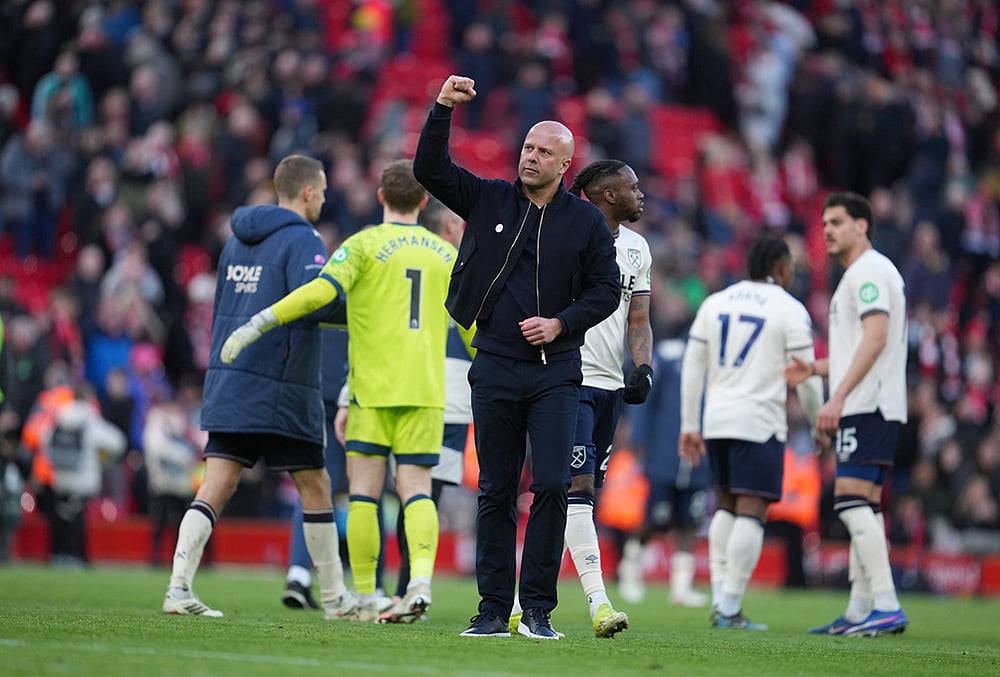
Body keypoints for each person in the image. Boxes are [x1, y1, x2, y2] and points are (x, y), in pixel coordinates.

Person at [414, 75, 620, 639]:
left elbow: (606, 289)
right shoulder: (489, 197)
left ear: (564, 165)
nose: (530, 157)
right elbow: (430, 171)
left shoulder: (585, 222)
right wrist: (441, 110)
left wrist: (561, 323)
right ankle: (491, 611)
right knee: (497, 489)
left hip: (557, 373)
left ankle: (537, 611)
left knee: (552, 484)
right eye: (528, 148)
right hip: (496, 365)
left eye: (543, 152)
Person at [222, 159, 463, 624]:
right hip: (427, 393)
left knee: (365, 497)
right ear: (423, 201)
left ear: (380, 198)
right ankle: (419, 584)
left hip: (371, 392)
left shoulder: (362, 245)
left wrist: (261, 320)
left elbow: (317, 294)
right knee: (416, 492)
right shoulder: (446, 255)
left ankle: (368, 594)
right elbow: (474, 328)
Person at [162, 154, 357, 619]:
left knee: (217, 484)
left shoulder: (234, 241)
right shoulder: (303, 239)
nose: (325, 199)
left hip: (231, 379)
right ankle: (334, 598)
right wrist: (362, 307)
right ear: (308, 192)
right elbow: (311, 301)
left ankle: (178, 589)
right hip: (283, 384)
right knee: (316, 485)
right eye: (323, 191)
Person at [508, 159, 651, 639]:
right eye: (633, 187)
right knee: (577, 491)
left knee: (571, 495)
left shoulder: (637, 249)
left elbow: (638, 319)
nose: (641, 194)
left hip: (610, 385)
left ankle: (513, 599)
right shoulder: (560, 236)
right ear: (609, 195)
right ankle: (599, 604)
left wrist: (643, 366)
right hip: (566, 379)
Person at [680, 234, 823, 631]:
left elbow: (694, 365)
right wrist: (818, 423)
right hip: (759, 420)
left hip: (717, 420)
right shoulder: (789, 309)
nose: (793, 271)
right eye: (791, 264)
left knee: (726, 505)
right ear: (779, 268)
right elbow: (806, 375)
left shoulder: (717, 301)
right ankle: (729, 606)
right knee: (753, 509)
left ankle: (721, 598)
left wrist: (691, 423)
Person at [785, 191, 910, 637]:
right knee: (867, 506)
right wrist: (815, 368)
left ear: (862, 225)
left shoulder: (868, 272)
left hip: (866, 403)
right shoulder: (865, 274)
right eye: (824, 224)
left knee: (850, 501)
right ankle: (861, 610)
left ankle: (887, 603)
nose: (828, 230)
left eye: (837, 221)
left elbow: (875, 339)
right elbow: (860, 346)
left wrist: (836, 397)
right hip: (877, 401)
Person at [389, 198, 475, 604]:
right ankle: (412, 583)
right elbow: (475, 333)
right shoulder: (456, 267)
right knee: (429, 494)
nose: (463, 229)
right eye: (458, 222)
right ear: (446, 228)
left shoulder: (402, 262)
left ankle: (397, 585)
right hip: (451, 391)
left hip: (404, 386)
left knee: (404, 489)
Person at [617, 337, 712, 608]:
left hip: (698, 458)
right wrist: (639, 439)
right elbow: (648, 400)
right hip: (665, 453)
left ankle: (681, 587)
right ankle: (631, 566)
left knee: (690, 521)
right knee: (656, 518)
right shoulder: (671, 355)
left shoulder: (714, 360)